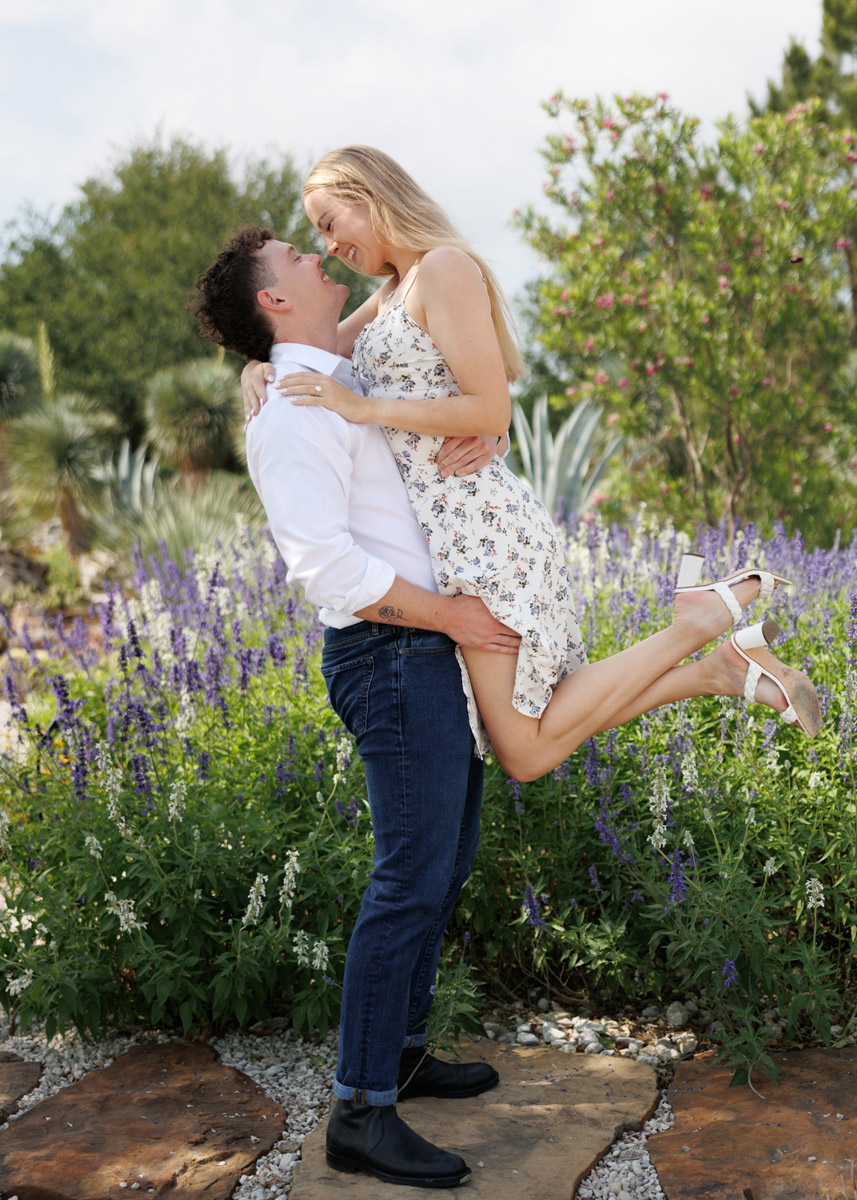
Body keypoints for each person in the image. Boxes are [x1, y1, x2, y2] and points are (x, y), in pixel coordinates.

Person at [242, 145, 821, 783]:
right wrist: (255, 363)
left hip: (479, 530)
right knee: (532, 738)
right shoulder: (388, 296)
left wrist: (365, 407)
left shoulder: (443, 268)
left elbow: (490, 409)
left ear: (370, 197)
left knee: (527, 749)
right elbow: (306, 345)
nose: (326, 248)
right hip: (452, 535)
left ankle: (702, 629)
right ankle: (717, 668)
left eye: (329, 224)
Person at [192, 227, 521, 1190]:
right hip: (390, 651)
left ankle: (405, 1053)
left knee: (444, 863)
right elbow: (324, 566)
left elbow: (427, 342)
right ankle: (360, 1114)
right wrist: (450, 615)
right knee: (407, 881)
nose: (316, 256)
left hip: (419, 650)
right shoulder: (293, 411)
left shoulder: (325, 375)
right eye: (297, 254)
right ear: (275, 302)